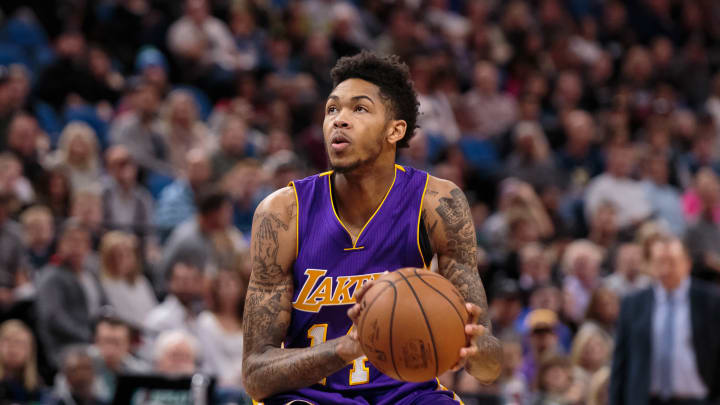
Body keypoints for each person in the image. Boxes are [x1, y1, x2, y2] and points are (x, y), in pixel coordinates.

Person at [241, 52, 502, 403]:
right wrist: (347, 348)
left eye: (359, 109)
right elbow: (256, 375)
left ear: (395, 129)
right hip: (310, 397)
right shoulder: (282, 213)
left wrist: (475, 349)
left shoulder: (438, 202)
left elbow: (489, 370)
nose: (340, 120)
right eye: (332, 109)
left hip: (406, 395)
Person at [610, 235, 720, 405]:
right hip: (647, 399)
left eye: (672, 261)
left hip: (698, 399)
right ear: (650, 265)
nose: (666, 268)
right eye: (660, 261)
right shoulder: (633, 304)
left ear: (687, 264)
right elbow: (621, 362)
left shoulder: (711, 300)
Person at [98, 232, 158, 329]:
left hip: (151, 329)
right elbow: (124, 318)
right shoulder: (107, 285)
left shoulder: (141, 281)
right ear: (109, 258)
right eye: (119, 255)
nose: (125, 260)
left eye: (128, 254)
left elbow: (154, 311)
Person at [197, 270, 246, 388]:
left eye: (234, 283)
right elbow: (212, 358)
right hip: (216, 384)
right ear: (215, 291)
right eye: (225, 285)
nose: (230, 289)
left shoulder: (249, 321)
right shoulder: (206, 320)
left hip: (245, 382)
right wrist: (230, 381)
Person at [0, 319, 48, 403]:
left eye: (19, 342)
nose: (13, 347)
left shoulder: (37, 387)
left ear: (30, 351)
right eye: (7, 340)